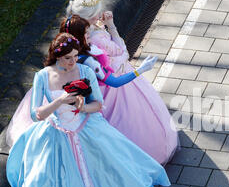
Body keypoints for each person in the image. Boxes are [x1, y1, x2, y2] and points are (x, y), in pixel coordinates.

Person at [6, 33, 171, 187]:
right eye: (67, 58)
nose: (73, 61)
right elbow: (36, 114)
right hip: (57, 134)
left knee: (114, 166)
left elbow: (98, 105)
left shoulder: (85, 71)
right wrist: (60, 101)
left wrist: (83, 107)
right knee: (56, 182)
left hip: (87, 129)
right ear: (56, 56)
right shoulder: (43, 77)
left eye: (75, 56)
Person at [5, 15, 158, 149]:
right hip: (82, 115)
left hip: (73, 111)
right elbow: (115, 82)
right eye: (86, 33)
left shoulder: (56, 62)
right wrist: (140, 70)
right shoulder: (90, 62)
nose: (90, 35)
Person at [66, 0, 179, 165]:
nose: (100, 14)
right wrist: (111, 26)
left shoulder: (77, 32)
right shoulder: (95, 39)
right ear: (89, 18)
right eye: (96, 12)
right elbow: (122, 51)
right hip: (114, 80)